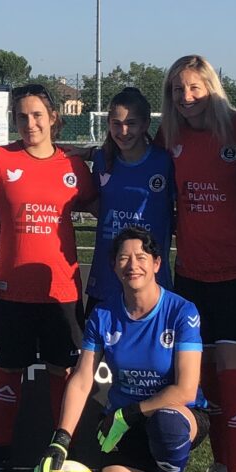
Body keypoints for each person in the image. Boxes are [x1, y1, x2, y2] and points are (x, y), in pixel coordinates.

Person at [0, 82, 98, 472]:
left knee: (64, 373)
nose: (30, 123)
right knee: (8, 372)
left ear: (53, 118)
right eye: (22, 116)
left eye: (37, 115)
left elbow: (103, 208)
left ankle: (61, 456)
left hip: (62, 291)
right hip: (12, 290)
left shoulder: (73, 167)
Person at [158, 54, 236, 472]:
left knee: (232, 371)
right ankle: (221, 468)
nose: (186, 98)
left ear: (211, 88)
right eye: (178, 89)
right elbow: (123, 150)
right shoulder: (170, 135)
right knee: (204, 378)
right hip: (191, 275)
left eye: (194, 88)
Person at [38, 228, 203, 472]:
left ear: (157, 263)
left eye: (141, 257)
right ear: (114, 266)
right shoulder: (103, 315)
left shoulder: (181, 311)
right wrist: (61, 438)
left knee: (167, 423)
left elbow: (186, 390)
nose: (132, 265)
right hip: (123, 422)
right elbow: (82, 379)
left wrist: (129, 413)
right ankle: (151, 471)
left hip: (177, 414)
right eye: (124, 258)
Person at [86, 86, 175, 311]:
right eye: (116, 123)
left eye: (131, 123)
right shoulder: (102, 160)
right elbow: (94, 202)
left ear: (145, 124)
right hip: (106, 278)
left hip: (150, 279)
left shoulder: (164, 162)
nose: (123, 131)